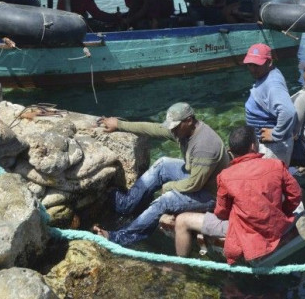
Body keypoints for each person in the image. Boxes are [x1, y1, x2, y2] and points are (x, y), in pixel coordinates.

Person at [94, 102, 230, 246]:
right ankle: (127, 203)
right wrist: (119, 124)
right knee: (163, 164)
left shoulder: (204, 146)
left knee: (165, 200)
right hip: (198, 177)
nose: (173, 130)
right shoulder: (183, 130)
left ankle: (121, 237)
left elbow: (194, 184)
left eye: (175, 127)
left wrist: (170, 186)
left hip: (210, 194)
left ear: (189, 121)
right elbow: (153, 129)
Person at [174, 126, 302, 264]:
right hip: (276, 226)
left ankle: (182, 267)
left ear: (231, 151)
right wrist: (282, 212)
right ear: (253, 146)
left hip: (244, 233)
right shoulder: (276, 165)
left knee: (182, 220)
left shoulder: (225, 176)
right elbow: (295, 195)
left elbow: (221, 213)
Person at [242, 43, 297, 165]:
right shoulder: (268, 75)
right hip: (268, 145)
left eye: (257, 65)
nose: (252, 69)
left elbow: (288, 112)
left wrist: (275, 134)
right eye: (250, 64)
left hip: (272, 148)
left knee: (271, 180)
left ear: (269, 62)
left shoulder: (273, 84)